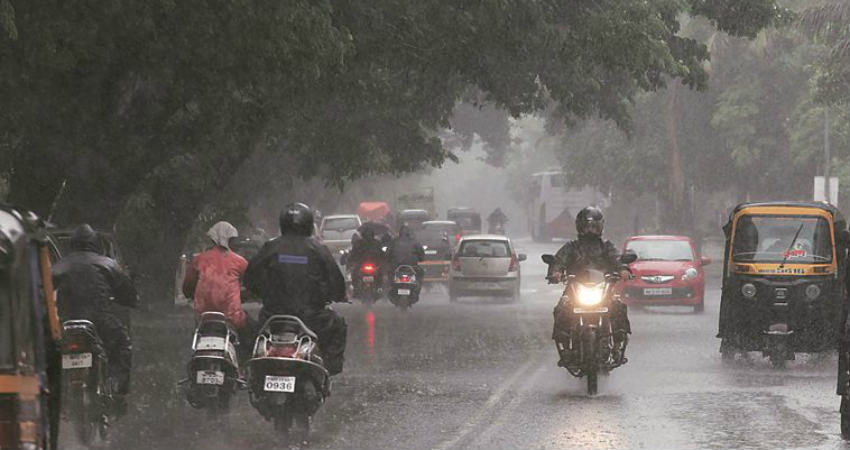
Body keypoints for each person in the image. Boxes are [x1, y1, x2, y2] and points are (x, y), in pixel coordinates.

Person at [244, 203, 348, 375]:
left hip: (273, 316)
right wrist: (337, 294)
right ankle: (328, 371)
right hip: (312, 317)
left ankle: (252, 371)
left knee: (252, 332)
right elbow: (336, 281)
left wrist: (261, 292)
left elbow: (250, 277)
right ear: (308, 224)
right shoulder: (318, 249)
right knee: (338, 326)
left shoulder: (271, 247)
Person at [53, 224, 138, 414]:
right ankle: (117, 392)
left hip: (67, 322)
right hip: (100, 320)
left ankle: (53, 396)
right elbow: (127, 292)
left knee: (51, 353)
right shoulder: (107, 263)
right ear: (95, 243)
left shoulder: (60, 265)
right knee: (122, 346)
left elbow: (42, 290)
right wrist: (130, 299)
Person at [545, 206, 630, 366]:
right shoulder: (571, 247)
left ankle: (618, 346)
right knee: (562, 309)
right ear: (580, 226)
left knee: (618, 306)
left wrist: (623, 269)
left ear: (600, 227)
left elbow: (617, 258)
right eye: (587, 226)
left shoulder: (606, 246)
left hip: (603, 290)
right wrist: (555, 272)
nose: (590, 230)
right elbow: (558, 261)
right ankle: (564, 350)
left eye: (593, 226)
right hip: (575, 290)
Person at [182, 221, 253, 361]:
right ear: (232, 240)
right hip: (232, 317)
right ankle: (244, 366)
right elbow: (251, 285)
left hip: (203, 317)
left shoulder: (199, 260)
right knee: (251, 333)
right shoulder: (240, 262)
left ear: (212, 239)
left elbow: (187, 288)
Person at [348, 226, 387, 293]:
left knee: (355, 273)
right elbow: (381, 254)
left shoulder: (359, 243)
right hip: (369, 264)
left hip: (364, 264)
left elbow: (353, 254)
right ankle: (379, 287)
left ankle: (356, 288)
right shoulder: (376, 242)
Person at [386, 225, 425, 292]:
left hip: (396, 266)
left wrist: (389, 260)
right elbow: (421, 255)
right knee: (421, 272)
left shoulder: (394, 242)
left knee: (389, 273)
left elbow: (387, 254)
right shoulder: (414, 242)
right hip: (411, 267)